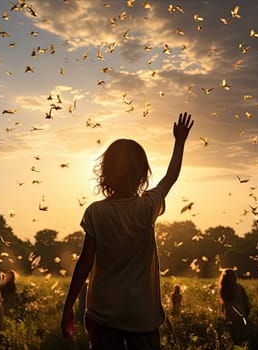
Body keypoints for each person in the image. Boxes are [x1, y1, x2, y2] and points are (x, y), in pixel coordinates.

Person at [61, 112, 194, 349]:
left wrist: (69, 306)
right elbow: (171, 177)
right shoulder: (147, 206)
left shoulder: (95, 212)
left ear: (105, 173)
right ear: (143, 173)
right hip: (142, 315)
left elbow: (84, 263)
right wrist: (180, 141)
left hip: (103, 315)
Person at [218, 268, 251, 345]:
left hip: (229, 321)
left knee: (234, 343)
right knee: (242, 343)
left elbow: (222, 310)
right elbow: (247, 305)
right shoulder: (239, 288)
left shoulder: (222, 290)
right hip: (241, 319)